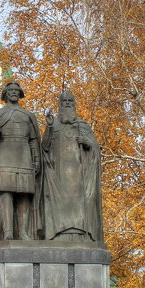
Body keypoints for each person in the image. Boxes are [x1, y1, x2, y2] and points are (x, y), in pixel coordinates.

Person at [0, 81, 43, 242]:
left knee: (24, 195)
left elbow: (34, 140)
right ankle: (8, 232)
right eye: (10, 90)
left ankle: (24, 233)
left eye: (16, 90)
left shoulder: (28, 116)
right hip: (4, 158)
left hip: (24, 157)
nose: (13, 92)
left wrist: (37, 159)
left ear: (20, 94)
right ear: (5, 94)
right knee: (6, 194)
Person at [41, 91, 103, 244]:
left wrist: (87, 143)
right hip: (58, 175)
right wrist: (48, 128)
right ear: (60, 104)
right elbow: (44, 147)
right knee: (59, 205)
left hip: (78, 175)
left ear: (74, 104)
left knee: (79, 205)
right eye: (64, 101)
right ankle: (58, 233)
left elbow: (95, 148)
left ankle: (81, 234)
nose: (67, 103)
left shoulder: (82, 126)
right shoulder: (53, 125)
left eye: (70, 101)